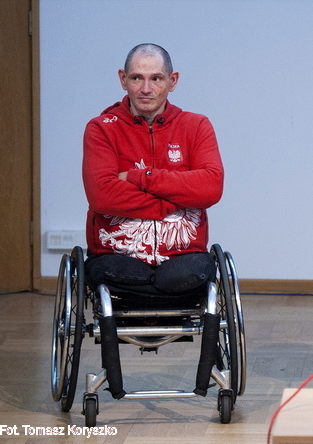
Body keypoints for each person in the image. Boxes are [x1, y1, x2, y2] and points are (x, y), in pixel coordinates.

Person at [82, 43, 225, 398]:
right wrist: (173, 199)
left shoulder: (196, 126)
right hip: (118, 258)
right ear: (123, 79)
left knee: (196, 272)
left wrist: (139, 178)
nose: (146, 88)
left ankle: (206, 376)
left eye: (156, 78)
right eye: (137, 78)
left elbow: (211, 187)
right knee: (111, 273)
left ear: (172, 81)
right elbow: (102, 196)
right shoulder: (101, 129)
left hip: (182, 257)